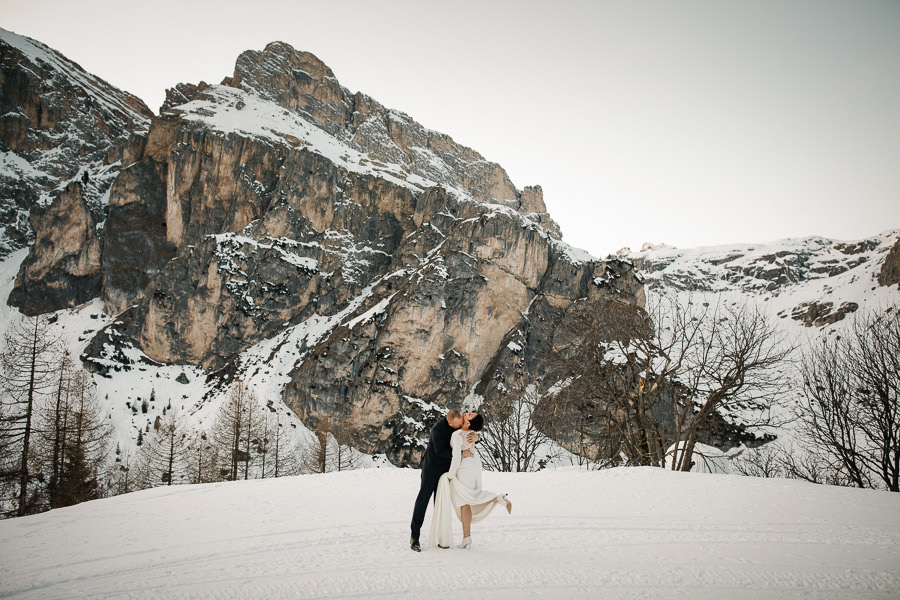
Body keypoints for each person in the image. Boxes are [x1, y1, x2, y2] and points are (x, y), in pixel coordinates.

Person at [428, 412, 511, 550]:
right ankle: (467, 538)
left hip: (464, 467)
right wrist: (477, 437)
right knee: (465, 502)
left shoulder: (457, 435)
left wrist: (450, 475)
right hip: (474, 465)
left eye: (470, 415)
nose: (467, 413)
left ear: (467, 422)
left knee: (467, 497)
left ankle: (497, 498)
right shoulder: (472, 433)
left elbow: (455, 458)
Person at [409, 409, 478, 552]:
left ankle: (441, 538)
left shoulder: (458, 422)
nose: (459, 427)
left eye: (460, 424)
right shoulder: (437, 430)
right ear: (449, 422)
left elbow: (467, 431)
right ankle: (414, 537)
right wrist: (460, 453)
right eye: (456, 425)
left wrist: (477, 437)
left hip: (446, 472)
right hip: (431, 469)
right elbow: (441, 452)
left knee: (441, 504)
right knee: (423, 500)